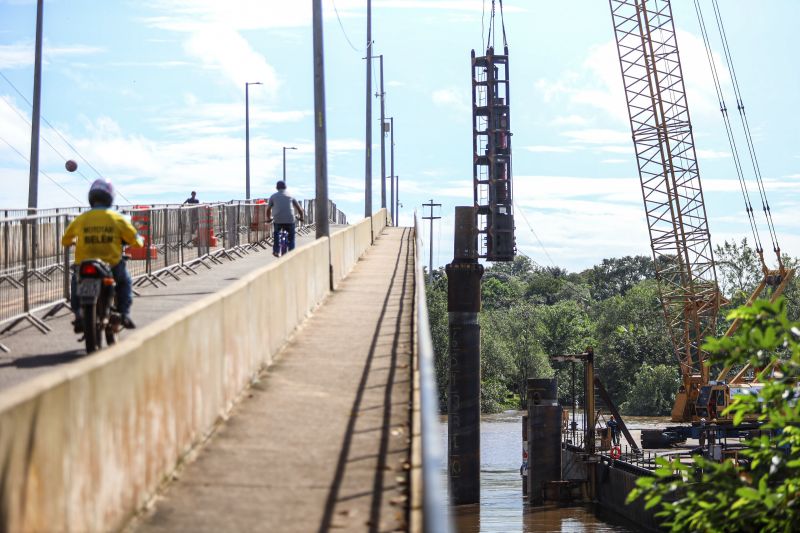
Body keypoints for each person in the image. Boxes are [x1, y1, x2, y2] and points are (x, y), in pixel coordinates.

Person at [62, 179, 143, 332]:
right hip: (111, 264)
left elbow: (65, 239)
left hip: (84, 264)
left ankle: (79, 314)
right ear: (110, 198)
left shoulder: (82, 218)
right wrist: (139, 241)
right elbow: (135, 241)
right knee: (125, 282)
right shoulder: (117, 218)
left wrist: (73, 241)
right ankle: (124, 314)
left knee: (76, 284)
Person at [266, 180, 305, 257]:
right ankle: (292, 252)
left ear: (277, 188)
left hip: (277, 219)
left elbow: (268, 209)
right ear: (285, 187)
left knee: (276, 233)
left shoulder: (273, 196)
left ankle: (276, 251)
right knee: (291, 237)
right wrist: (301, 218)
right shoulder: (291, 196)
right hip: (290, 220)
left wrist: (269, 218)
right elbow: (299, 209)